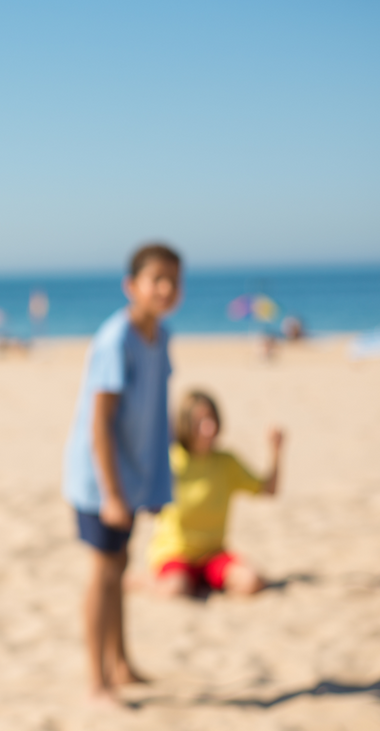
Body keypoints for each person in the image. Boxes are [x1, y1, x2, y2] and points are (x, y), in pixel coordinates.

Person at [62, 242, 181, 705]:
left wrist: (155, 478)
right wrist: (112, 494)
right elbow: (100, 423)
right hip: (99, 480)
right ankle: (98, 680)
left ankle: (122, 663)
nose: (167, 289)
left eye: (174, 280)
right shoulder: (116, 339)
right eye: (157, 279)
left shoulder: (162, 335)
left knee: (121, 565)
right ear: (132, 286)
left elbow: (156, 410)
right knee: (104, 571)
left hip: (131, 478)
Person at [147, 391, 283, 597]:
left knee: (251, 582)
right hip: (175, 554)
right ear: (186, 425)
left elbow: (268, 490)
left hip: (213, 554)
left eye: (211, 419)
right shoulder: (171, 462)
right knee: (176, 589)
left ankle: (206, 582)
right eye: (200, 422)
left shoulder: (226, 462)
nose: (208, 428)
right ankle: (136, 581)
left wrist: (276, 451)